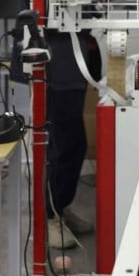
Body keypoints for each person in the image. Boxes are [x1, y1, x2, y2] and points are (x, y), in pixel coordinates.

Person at [45, 29, 101, 249]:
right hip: (59, 67)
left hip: (75, 64)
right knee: (62, 147)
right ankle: (51, 216)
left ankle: (62, 208)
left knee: (76, 145)